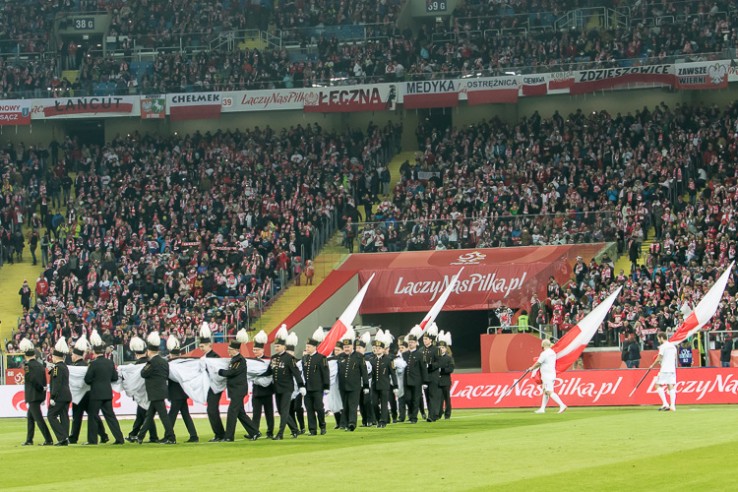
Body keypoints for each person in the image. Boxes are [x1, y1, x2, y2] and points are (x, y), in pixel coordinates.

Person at [84, 330, 125, 444]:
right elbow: (115, 378)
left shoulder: (93, 364)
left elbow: (87, 379)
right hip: (107, 393)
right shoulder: (110, 362)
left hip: (96, 394)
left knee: (93, 416)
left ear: (94, 352)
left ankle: (92, 440)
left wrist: (95, 381)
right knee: (111, 417)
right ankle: (119, 438)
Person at [218, 329, 260, 442]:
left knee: (232, 412)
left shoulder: (240, 360)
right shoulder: (235, 359)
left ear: (235, 350)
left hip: (238, 390)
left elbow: (232, 372)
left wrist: (220, 371)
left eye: (230, 349)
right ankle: (255, 432)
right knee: (240, 413)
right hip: (235, 390)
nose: (228, 351)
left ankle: (229, 436)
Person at [137, 332, 176, 444]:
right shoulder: (164, 362)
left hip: (154, 392)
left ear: (149, 351)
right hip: (161, 391)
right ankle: (140, 436)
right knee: (149, 415)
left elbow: (143, 374)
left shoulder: (151, 362)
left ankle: (171, 437)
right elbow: (166, 374)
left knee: (163, 416)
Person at [69, 335, 109, 444]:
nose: (71, 356)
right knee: (94, 416)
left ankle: (73, 437)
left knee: (77, 417)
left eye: (72, 354)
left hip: (79, 396)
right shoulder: (86, 364)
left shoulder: (76, 366)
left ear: (76, 355)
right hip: (89, 395)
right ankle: (103, 435)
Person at [268, 326, 305, 440]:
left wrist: (301, 385)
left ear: (284, 346)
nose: (276, 348)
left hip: (287, 388)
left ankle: (280, 434)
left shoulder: (289, 358)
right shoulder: (273, 358)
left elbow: (296, 373)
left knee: (284, 411)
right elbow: (269, 371)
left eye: (278, 346)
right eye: (275, 346)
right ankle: (295, 429)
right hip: (277, 388)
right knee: (280, 411)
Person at [19, 338, 53, 446]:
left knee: (38, 419)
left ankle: (48, 439)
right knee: (30, 417)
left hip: (32, 395)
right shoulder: (41, 366)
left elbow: (31, 379)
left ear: (26, 356)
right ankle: (29, 439)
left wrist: (39, 388)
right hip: (39, 395)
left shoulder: (27, 366)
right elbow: (44, 380)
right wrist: (42, 391)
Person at [126, 336, 159, 443]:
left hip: (141, 393)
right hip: (150, 391)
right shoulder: (150, 362)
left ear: (136, 354)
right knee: (141, 415)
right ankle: (133, 434)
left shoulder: (137, 364)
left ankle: (153, 437)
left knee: (145, 415)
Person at [167, 335, 199, 443]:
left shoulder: (170, 364)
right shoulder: (183, 363)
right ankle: (194, 435)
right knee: (185, 415)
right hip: (183, 392)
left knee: (172, 415)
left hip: (175, 394)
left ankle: (169, 436)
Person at [337, 327, 369, 431]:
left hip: (355, 386)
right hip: (342, 386)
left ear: (352, 346)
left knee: (352, 405)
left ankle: (352, 423)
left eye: (348, 346)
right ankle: (344, 423)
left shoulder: (359, 356)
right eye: (345, 347)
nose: (346, 348)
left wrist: (366, 386)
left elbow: (364, 372)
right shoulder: (340, 356)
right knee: (344, 405)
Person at [199, 322, 226, 442]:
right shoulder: (205, 357)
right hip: (210, 386)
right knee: (211, 410)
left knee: (212, 410)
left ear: (209, 345)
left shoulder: (215, 357)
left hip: (215, 386)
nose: (201, 349)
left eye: (203, 346)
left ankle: (220, 434)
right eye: (200, 346)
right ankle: (219, 434)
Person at [302, 328, 330, 436]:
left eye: (309, 346)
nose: (307, 348)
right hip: (307, 388)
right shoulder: (305, 358)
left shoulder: (322, 358)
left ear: (314, 347)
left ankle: (322, 426)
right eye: (306, 346)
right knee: (309, 410)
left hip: (318, 388)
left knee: (319, 408)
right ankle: (312, 430)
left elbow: (325, 373)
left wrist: (326, 386)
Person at [528, 339, 567, 414]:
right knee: (545, 391)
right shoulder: (552, 352)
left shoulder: (544, 353)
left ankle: (562, 405)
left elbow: (538, 363)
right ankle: (542, 408)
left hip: (547, 375)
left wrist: (531, 368)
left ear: (543, 345)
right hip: (551, 374)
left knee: (549, 391)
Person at [249, 330, 275, 439]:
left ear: (262, 350)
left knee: (269, 414)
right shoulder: (252, 361)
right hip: (256, 391)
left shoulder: (269, 359)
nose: (255, 351)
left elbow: (270, 373)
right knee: (256, 414)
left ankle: (270, 432)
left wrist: (257, 376)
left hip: (267, 391)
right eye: (254, 350)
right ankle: (254, 432)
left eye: (257, 350)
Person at [369, 330, 397, 428]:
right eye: (375, 348)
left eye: (379, 348)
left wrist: (395, 386)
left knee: (384, 404)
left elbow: (393, 374)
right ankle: (378, 419)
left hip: (385, 385)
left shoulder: (388, 360)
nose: (377, 349)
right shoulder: (371, 360)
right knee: (374, 403)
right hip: (374, 385)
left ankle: (383, 421)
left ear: (383, 349)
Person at [48, 337, 72, 446]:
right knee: (64, 416)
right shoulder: (64, 366)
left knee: (51, 415)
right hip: (67, 395)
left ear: (55, 356)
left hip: (59, 396)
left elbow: (56, 384)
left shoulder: (57, 368)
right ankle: (65, 437)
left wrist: (53, 397)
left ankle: (62, 438)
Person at [403, 326, 426, 424]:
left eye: (412, 342)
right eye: (409, 342)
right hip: (406, 380)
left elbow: (423, 368)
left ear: (416, 343)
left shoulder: (420, 354)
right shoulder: (404, 354)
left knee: (416, 400)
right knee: (408, 398)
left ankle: (414, 417)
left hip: (417, 380)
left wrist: (425, 381)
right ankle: (411, 414)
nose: (410, 343)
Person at [650, 331, 677, 411]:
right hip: (672, 369)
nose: (658, 341)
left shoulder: (663, 347)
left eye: (658, 339)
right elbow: (674, 357)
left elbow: (659, 358)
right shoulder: (673, 346)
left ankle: (665, 404)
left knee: (657, 385)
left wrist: (652, 365)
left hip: (665, 369)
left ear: (662, 338)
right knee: (670, 386)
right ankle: (672, 406)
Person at [420, 323, 442, 422]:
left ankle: (432, 416)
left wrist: (430, 366)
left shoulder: (436, 350)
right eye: (424, 339)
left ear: (431, 340)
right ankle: (432, 414)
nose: (424, 340)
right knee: (427, 397)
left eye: (426, 339)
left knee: (433, 396)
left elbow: (439, 362)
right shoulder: (421, 350)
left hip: (433, 376)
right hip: (425, 377)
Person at [437, 331, 455, 420]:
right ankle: (439, 413)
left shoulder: (449, 358)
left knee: (447, 399)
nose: (441, 349)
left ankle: (447, 414)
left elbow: (451, 369)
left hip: (446, 381)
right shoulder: (435, 357)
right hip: (437, 381)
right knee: (439, 399)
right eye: (439, 347)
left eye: (443, 347)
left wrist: (441, 370)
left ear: (445, 348)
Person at [326, 342, 345, 429]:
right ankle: (338, 422)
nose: (336, 352)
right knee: (333, 403)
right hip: (332, 384)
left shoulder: (345, 358)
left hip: (341, 384)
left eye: (338, 350)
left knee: (341, 403)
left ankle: (343, 422)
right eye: (335, 350)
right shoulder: (330, 359)